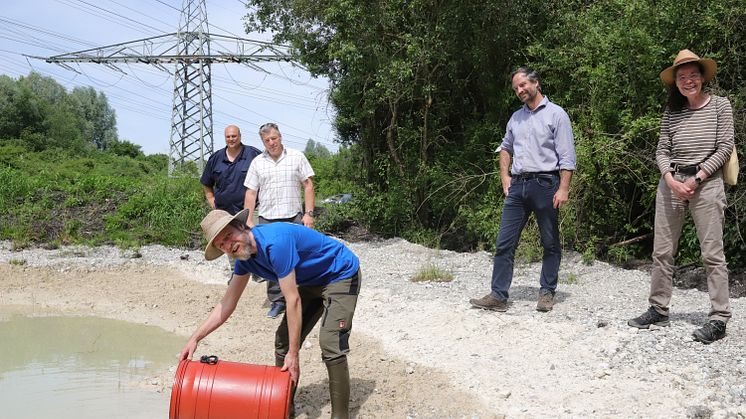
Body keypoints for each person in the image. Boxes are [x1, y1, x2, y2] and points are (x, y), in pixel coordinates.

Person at [179, 209, 360, 419]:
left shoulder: (275, 243)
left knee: (330, 343)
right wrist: (195, 338)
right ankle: (283, 407)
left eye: (228, 236)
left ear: (241, 226)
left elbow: (292, 300)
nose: (229, 245)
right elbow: (228, 303)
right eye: (222, 245)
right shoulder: (244, 259)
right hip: (311, 282)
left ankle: (340, 416)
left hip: (341, 274)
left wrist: (295, 355)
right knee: (283, 341)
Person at [628, 50, 734, 344]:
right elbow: (662, 150)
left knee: (712, 253)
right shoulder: (671, 113)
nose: (688, 81)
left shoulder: (721, 107)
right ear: (676, 83)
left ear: (702, 77)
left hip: (707, 184)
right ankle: (658, 308)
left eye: (693, 75)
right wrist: (671, 180)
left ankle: (719, 318)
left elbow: (725, 148)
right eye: (682, 77)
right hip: (672, 183)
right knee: (662, 251)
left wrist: (697, 178)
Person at [469, 67, 576, 313]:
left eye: (523, 85)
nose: (519, 91)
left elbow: (567, 156)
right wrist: (504, 176)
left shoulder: (556, 114)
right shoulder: (515, 118)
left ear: (535, 83)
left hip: (546, 184)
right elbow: (505, 147)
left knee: (549, 242)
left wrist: (564, 188)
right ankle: (498, 295)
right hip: (517, 186)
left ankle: (547, 292)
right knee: (504, 242)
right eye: (516, 88)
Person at [244, 122, 317, 318]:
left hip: (293, 216)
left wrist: (309, 214)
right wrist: (248, 219)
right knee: (271, 261)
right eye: (267, 140)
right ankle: (277, 301)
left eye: (274, 138)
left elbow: (308, 186)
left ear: (280, 137)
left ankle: (301, 296)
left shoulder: (297, 157)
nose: (271, 143)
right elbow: (251, 192)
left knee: (299, 257)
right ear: (263, 142)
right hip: (267, 219)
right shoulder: (257, 162)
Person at [200, 125, 261, 281]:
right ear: (225, 137)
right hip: (225, 210)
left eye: (234, 136)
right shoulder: (216, 158)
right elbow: (206, 182)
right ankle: (236, 273)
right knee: (228, 241)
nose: (231, 139)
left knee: (253, 237)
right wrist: (212, 200)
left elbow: (266, 176)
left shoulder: (253, 154)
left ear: (240, 136)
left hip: (251, 207)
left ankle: (258, 271)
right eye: (228, 136)